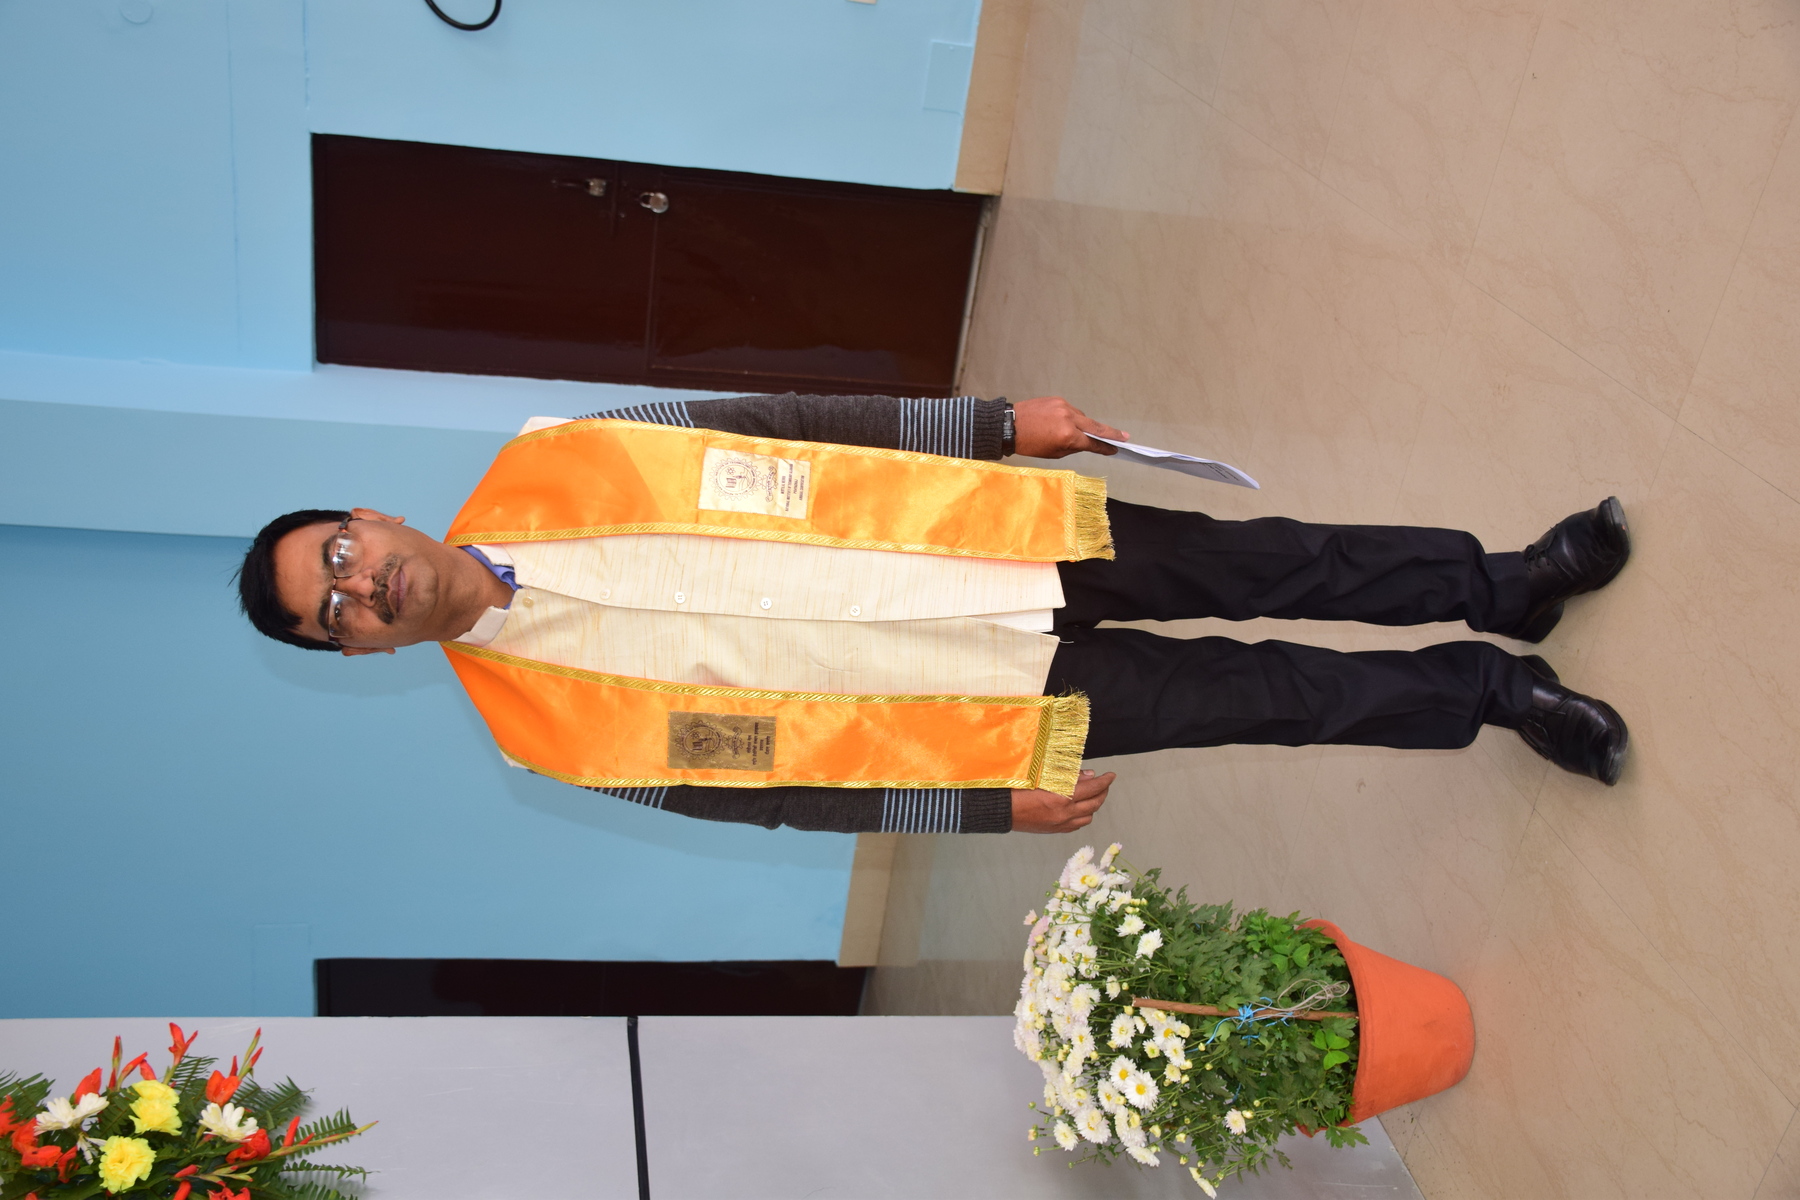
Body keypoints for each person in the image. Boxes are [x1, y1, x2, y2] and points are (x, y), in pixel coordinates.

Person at [235, 394, 1630, 836]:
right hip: (976, 712)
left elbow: (785, 423)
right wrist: (975, 811)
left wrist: (991, 426)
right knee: (1264, 699)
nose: (361, 585)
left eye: (339, 554)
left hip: (983, 540)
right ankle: (1494, 697)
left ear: (372, 514)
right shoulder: (548, 734)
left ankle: (1504, 584)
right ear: (354, 653)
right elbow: (778, 794)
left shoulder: (562, 453)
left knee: (1271, 564)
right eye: (334, 611)